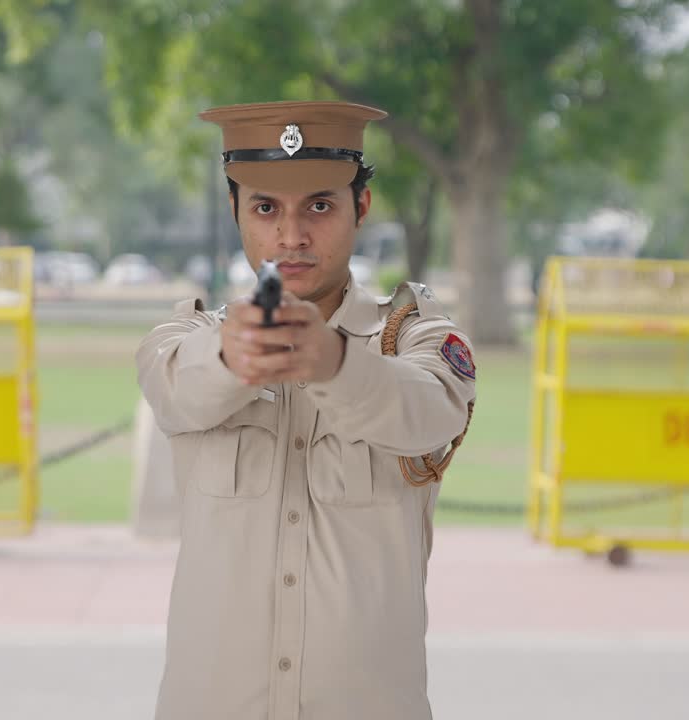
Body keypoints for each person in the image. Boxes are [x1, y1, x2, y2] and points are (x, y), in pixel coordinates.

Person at [135, 100, 478, 720]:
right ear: (236, 210)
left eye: (319, 205)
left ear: (360, 208)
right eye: (266, 207)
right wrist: (234, 354)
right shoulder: (185, 341)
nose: (291, 236)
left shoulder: (419, 340)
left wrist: (334, 361)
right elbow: (178, 391)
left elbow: (428, 413)